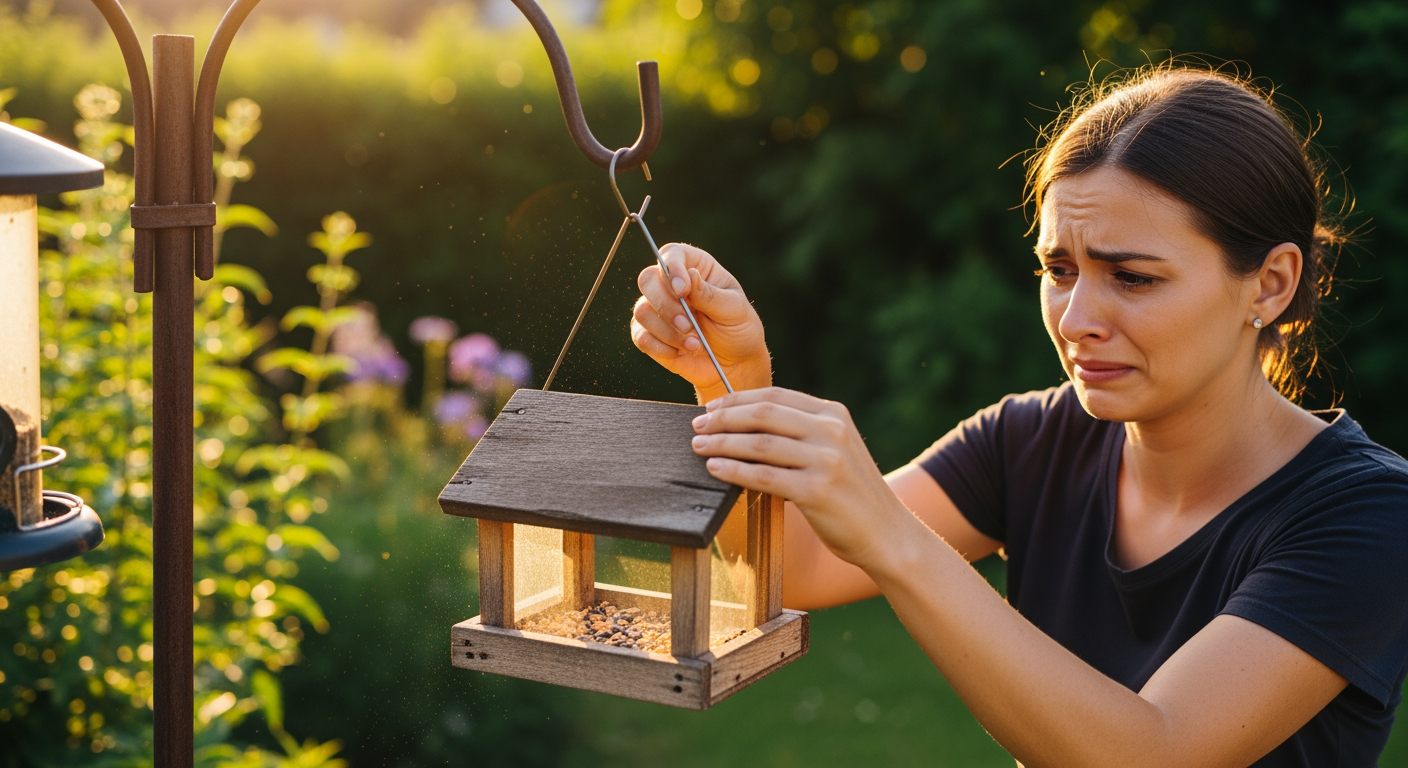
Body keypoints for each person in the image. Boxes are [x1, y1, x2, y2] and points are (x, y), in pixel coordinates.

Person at [629, 66, 1408, 768]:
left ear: (1269, 285)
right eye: (1059, 269)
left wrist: (890, 534)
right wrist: (728, 377)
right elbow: (794, 566)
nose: (1075, 318)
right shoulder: (1033, 438)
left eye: (1132, 278)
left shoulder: (1366, 514)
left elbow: (1154, 752)